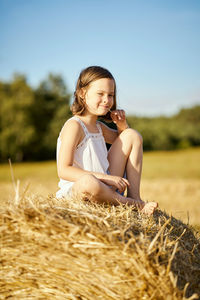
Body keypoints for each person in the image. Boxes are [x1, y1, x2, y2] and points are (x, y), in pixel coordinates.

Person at [56, 66, 158, 215]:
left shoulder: (99, 127)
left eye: (110, 95)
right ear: (82, 94)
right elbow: (64, 170)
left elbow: (125, 144)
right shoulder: (74, 126)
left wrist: (122, 125)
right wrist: (106, 178)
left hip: (105, 187)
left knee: (132, 135)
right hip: (81, 191)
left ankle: (134, 196)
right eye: (100, 94)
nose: (107, 100)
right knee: (88, 182)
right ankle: (132, 204)